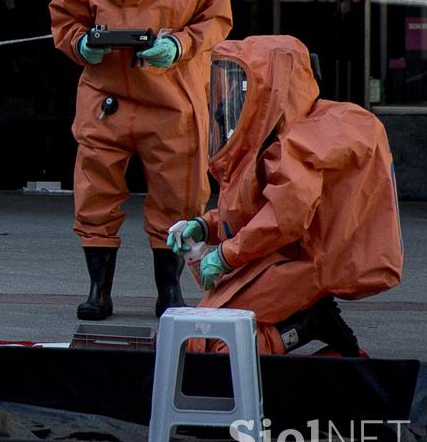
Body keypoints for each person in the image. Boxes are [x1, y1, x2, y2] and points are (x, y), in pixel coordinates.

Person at [50, 0, 232, 320]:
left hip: (170, 97)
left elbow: (216, 20)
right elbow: (65, 19)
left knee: (178, 193)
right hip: (106, 95)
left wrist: (178, 45)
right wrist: (83, 44)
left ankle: (169, 291)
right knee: (94, 190)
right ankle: (98, 291)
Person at [169, 35, 403, 355]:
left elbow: (283, 218)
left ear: (270, 89)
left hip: (305, 262)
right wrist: (205, 225)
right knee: (202, 334)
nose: (234, 104)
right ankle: (321, 329)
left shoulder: (300, 142)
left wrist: (226, 255)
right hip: (287, 256)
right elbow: (259, 208)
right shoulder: (283, 137)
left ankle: (309, 323)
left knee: (219, 344)